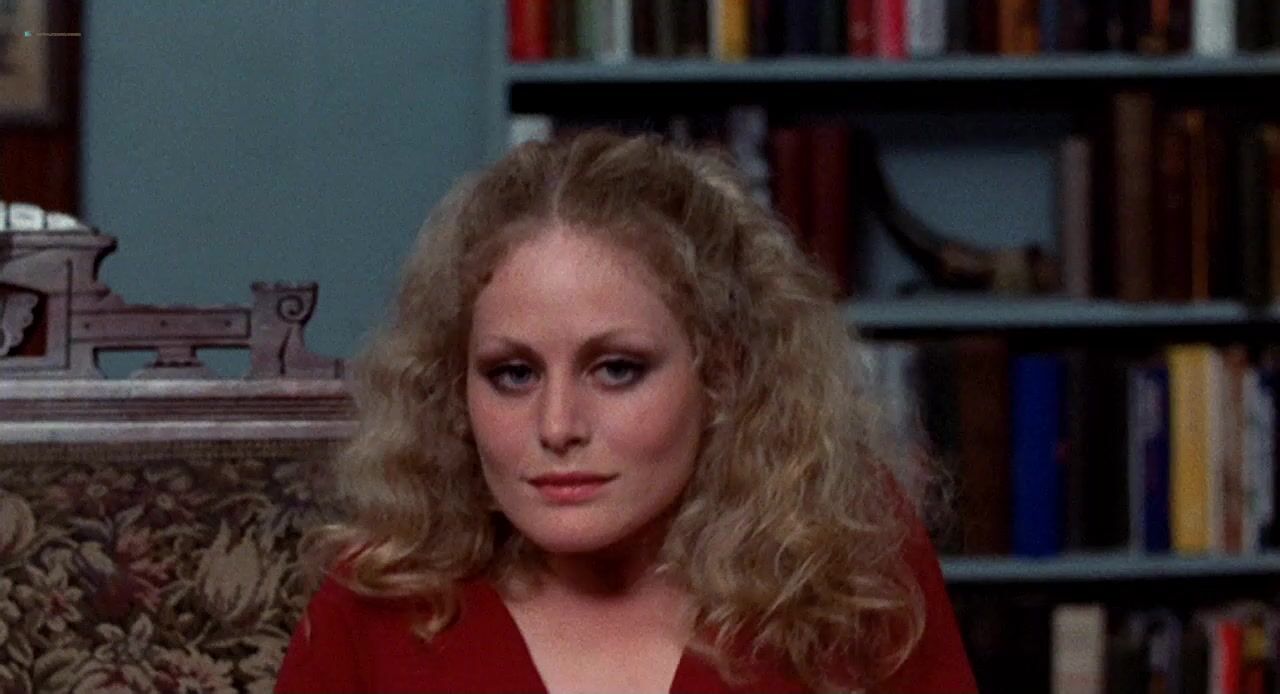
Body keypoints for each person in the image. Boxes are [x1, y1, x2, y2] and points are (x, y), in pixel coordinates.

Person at [275, 131, 977, 693]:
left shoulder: (846, 571)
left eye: (617, 369)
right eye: (513, 374)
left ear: (723, 372)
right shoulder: (379, 597)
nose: (557, 427)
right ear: (453, 387)